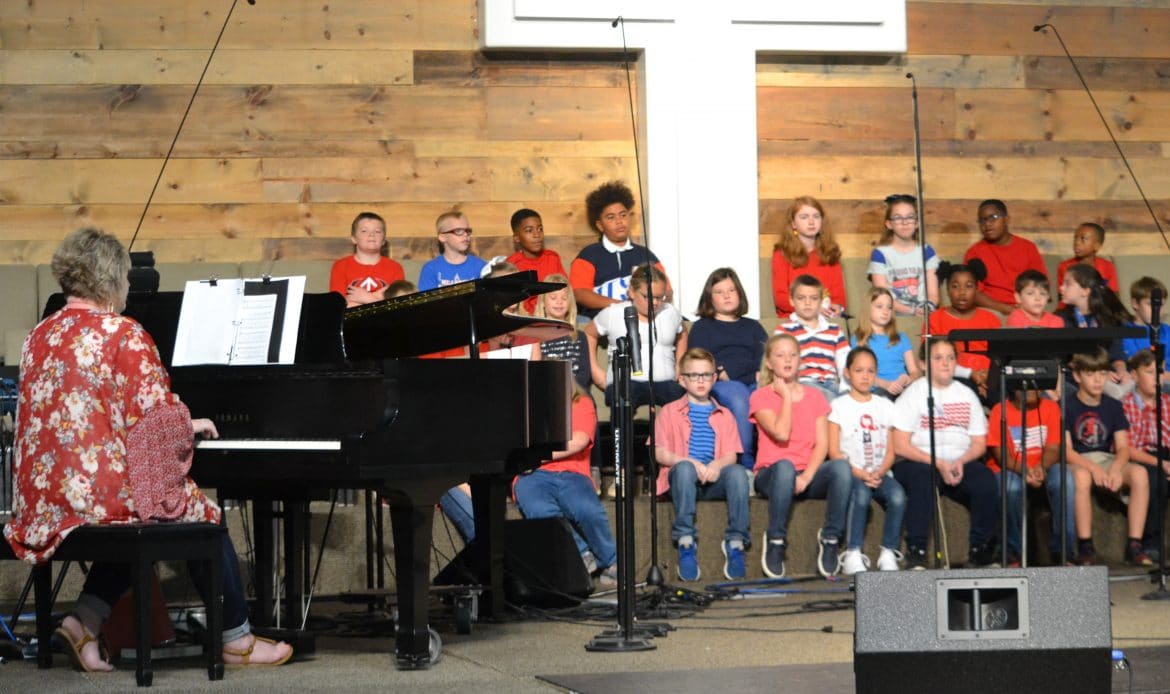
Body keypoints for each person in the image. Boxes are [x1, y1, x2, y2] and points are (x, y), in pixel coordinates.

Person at [3, 228, 292, 672]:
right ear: (112, 279)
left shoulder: (39, 335)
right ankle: (237, 639)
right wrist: (188, 425)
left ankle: (83, 622)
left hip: (40, 498)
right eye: (126, 279)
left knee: (148, 508)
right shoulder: (123, 333)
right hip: (92, 496)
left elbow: (95, 414)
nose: (128, 287)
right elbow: (155, 424)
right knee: (195, 515)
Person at [749, 333, 852, 579]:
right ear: (769, 363)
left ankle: (830, 538)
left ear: (800, 360)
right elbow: (782, 433)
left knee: (841, 467)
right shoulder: (760, 396)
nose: (787, 360)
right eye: (780, 355)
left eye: (793, 355)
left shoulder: (815, 397)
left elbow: (822, 444)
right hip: (772, 475)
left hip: (806, 474)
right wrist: (785, 396)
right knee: (785, 466)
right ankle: (775, 539)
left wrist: (806, 477)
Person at [891, 338, 999, 570]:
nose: (946, 363)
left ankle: (980, 550)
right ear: (923, 364)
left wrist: (960, 461)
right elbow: (899, 445)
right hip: (919, 460)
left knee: (985, 480)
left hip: (959, 459)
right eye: (938, 358)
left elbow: (979, 443)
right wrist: (939, 463)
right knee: (923, 478)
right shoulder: (913, 394)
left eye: (950, 358)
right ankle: (917, 551)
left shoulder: (966, 394)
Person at [654, 348, 750, 581]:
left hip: (713, 479)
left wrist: (716, 465)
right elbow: (660, 452)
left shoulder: (725, 414)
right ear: (682, 380)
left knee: (738, 473)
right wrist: (688, 461)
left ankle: (736, 542)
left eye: (706, 375)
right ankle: (686, 542)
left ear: (714, 378)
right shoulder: (668, 412)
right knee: (685, 470)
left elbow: (731, 455)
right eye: (694, 375)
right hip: (684, 480)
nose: (700, 381)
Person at [513, 385, 618, 590]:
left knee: (588, 509)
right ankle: (580, 553)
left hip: (572, 472)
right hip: (531, 475)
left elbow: (578, 441)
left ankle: (610, 560)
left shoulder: (581, 403)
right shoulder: (527, 408)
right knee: (539, 510)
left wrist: (535, 455)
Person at [1064, 348, 1150, 566]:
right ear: (1077, 376)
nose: (1097, 380)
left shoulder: (1113, 405)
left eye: (1102, 374)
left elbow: (1123, 447)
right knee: (1082, 477)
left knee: (1139, 474)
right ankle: (1085, 546)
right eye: (1090, 374)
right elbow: (1067, 451)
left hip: (1106, 458)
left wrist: (1115, 469)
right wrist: (1093, 469)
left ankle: (1135, 544)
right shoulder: (1067, 405)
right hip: (1079, 460)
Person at [828, 347, 906, 575]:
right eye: (859, 370)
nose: (865, 376)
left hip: (880, 473)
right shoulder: (838, 406)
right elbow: (834, 451)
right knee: (861, 496)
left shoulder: (886, 406)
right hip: (853, 473)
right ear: (847, 373)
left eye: (870, 371)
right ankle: (853, 552)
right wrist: (861, 474)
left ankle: (888, 551)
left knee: (898, 496)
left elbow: (891, 450)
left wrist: (880, 471)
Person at [686, 268, 768, 470]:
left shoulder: (753, 327)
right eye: (719, 292)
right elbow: (699, 360)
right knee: (739, 396)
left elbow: (765, 357)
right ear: (710, 298)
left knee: (765, 395)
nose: (727, 295)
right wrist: (724, 370)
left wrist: (738, 371)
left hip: (754, 382)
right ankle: (745, 462)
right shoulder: (702, 327)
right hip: (719, 384)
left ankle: (772, 461)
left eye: (731, 290)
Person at [987, 387, 1076, 566]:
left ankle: (1063, 551)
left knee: (1064, 479)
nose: (1031, 390)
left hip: (1044, 466)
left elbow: (1053, 447)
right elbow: (1002, 455)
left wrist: (1041, 468)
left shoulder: (1051, 407)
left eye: (1035, 386)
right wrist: (1026, 470)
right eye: (1024, 386)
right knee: (1011, 488)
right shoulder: (999, 410)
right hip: (1011, 468)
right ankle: (1012, 552)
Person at [584, 263, 686, 409]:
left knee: (680, 403)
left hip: (666, 383)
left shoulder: (670, 312)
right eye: (647, 296)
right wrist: (595, 371)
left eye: (660, 297)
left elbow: (683, 332)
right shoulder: (613, 313)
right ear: (632, 292)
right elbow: (588, 333)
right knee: (623, 400)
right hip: (625, 383)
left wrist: (679, 365)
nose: (655, 302)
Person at [569, 181, 667, 319]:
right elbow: (579, 293)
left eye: (623, 215)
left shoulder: (645, 255)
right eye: (611, 217)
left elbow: (667, 290)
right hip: (600, 320)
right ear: (600, 225)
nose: (619, 221)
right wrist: (623, 306)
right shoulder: (588, 256)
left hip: (643, 320)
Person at [927, 260, 1002, 400]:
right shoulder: (935, 319)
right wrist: (971, 375)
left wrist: (990, 375)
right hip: (955, 377)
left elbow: (1000, 357)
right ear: (947, 289)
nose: (962, 292)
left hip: (989, 379)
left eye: (969, 286)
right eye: (955, 286)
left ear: (977, 289)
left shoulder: (991, 319)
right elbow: (932, 360)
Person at [1120, 349, 1170, 560]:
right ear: (1134, 375)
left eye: (1160, 372)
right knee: (1155, 480)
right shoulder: (1126, 405)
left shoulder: (1167, 402)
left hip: (1166, 453)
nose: (1156, 378)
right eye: (1149, 372)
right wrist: (1162, 464)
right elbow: (1128, 448)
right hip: (1142, 456)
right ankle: (1150, 544)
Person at [1056, 264, 1133, 398]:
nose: (1061, 288)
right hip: (1076, 376)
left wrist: (1122, 370)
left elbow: (1117, 355)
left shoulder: (1108, 317)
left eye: (1068, 284)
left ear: (1085, 291)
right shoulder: (1061, 319)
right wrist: (1100, 374)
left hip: (1106, 373)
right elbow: (1069, 361)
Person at [963, 199, 1047, 316]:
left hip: (1026, 307)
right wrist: (1006, 309)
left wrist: (1026, 306)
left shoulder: (1028, 248)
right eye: (982, 220)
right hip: (991, 310)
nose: (987, 224)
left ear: (1006, 219)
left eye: (993, 217)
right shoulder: (974, 252)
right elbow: (973, 292)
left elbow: (1040, 284)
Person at [777, 274, 850, 402]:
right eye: (801, 298)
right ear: (792, 300)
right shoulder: (784, 331)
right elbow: (779, 363)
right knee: (829, 400)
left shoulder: (834, 330)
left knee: (852, 401)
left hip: (831, 383)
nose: (807, 303)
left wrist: (846, 390)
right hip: (802, 383)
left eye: (814, 298)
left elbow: (844, 361)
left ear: (821, 302)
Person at [771, 196, 847, 319]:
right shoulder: (782, 254)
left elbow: (839, 297)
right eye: (804, 217)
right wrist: (813, 309)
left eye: (816, 216)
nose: (811, 222)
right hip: (794, 319)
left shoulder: (830, 253)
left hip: (826, 318)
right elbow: (781, 299)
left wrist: (838, 307)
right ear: (793, 224)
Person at [866, 194, 939, 316]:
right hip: (894, 314)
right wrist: (912, 311)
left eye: (910, 217)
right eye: (898, 218)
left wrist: (926, 308)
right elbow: (882, 296)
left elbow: (933, 295)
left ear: (917, 223)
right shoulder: (880, 254)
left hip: (925, 313)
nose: (905, 222)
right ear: (889, 224)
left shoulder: (927, 251)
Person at [852, 287, 919, 398]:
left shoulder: (901, 338)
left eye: (889, 307)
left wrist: (908, 379)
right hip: (878, 390)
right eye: (879, 306)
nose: (885, 312)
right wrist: (886, 385)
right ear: (868, 308)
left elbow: (914, 372)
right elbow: (861, 374)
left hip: (904, 389)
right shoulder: (859, 339)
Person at [329, 211, 406, 307]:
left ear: (383, 240)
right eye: (364, 231)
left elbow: (397, 307)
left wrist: (367, 298)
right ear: (354, 238)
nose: (371, 234)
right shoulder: (340, 266)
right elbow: (337, 307)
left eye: (377, 231)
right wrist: (377, 298)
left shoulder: (395, 268)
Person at [533, 274, 591, 392]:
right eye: (553, 298)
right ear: (543, 303)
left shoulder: (580, 336)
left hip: (576, 393)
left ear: (570, 304)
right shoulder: (534, 338)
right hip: (546, 392)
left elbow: (584, 374)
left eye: (564, 298)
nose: (559, 302)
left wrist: (569, 389)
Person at [506, 208, 566, 314]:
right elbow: (515, 306)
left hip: (555, 314)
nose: (537, 235)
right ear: (517, 238)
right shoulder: (512, 265)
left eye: (540, 229)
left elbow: (565, 290)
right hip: (528, 318)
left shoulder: (552, 257)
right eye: (529, 230)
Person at [417, 210, 488, 290]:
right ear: (442, 237)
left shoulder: (481, 267)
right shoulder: (430, 269)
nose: (465, 234)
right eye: (458, 231)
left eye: (467, 231)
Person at [1121, 276, 1170, 380]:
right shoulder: (1126, 332)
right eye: (1150, 304)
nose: (1156, 310)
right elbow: (1138, 365)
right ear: (1135, 303)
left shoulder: (1166, 331)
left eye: (1160, 305)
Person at [1056, 222, 1119, 295]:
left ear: (1097, 246)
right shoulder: (1065, 266)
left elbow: (1114, 295)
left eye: (1083, 239)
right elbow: (1062, 296)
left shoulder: (1108, 267)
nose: (1077, 242)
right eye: (1075, 238)